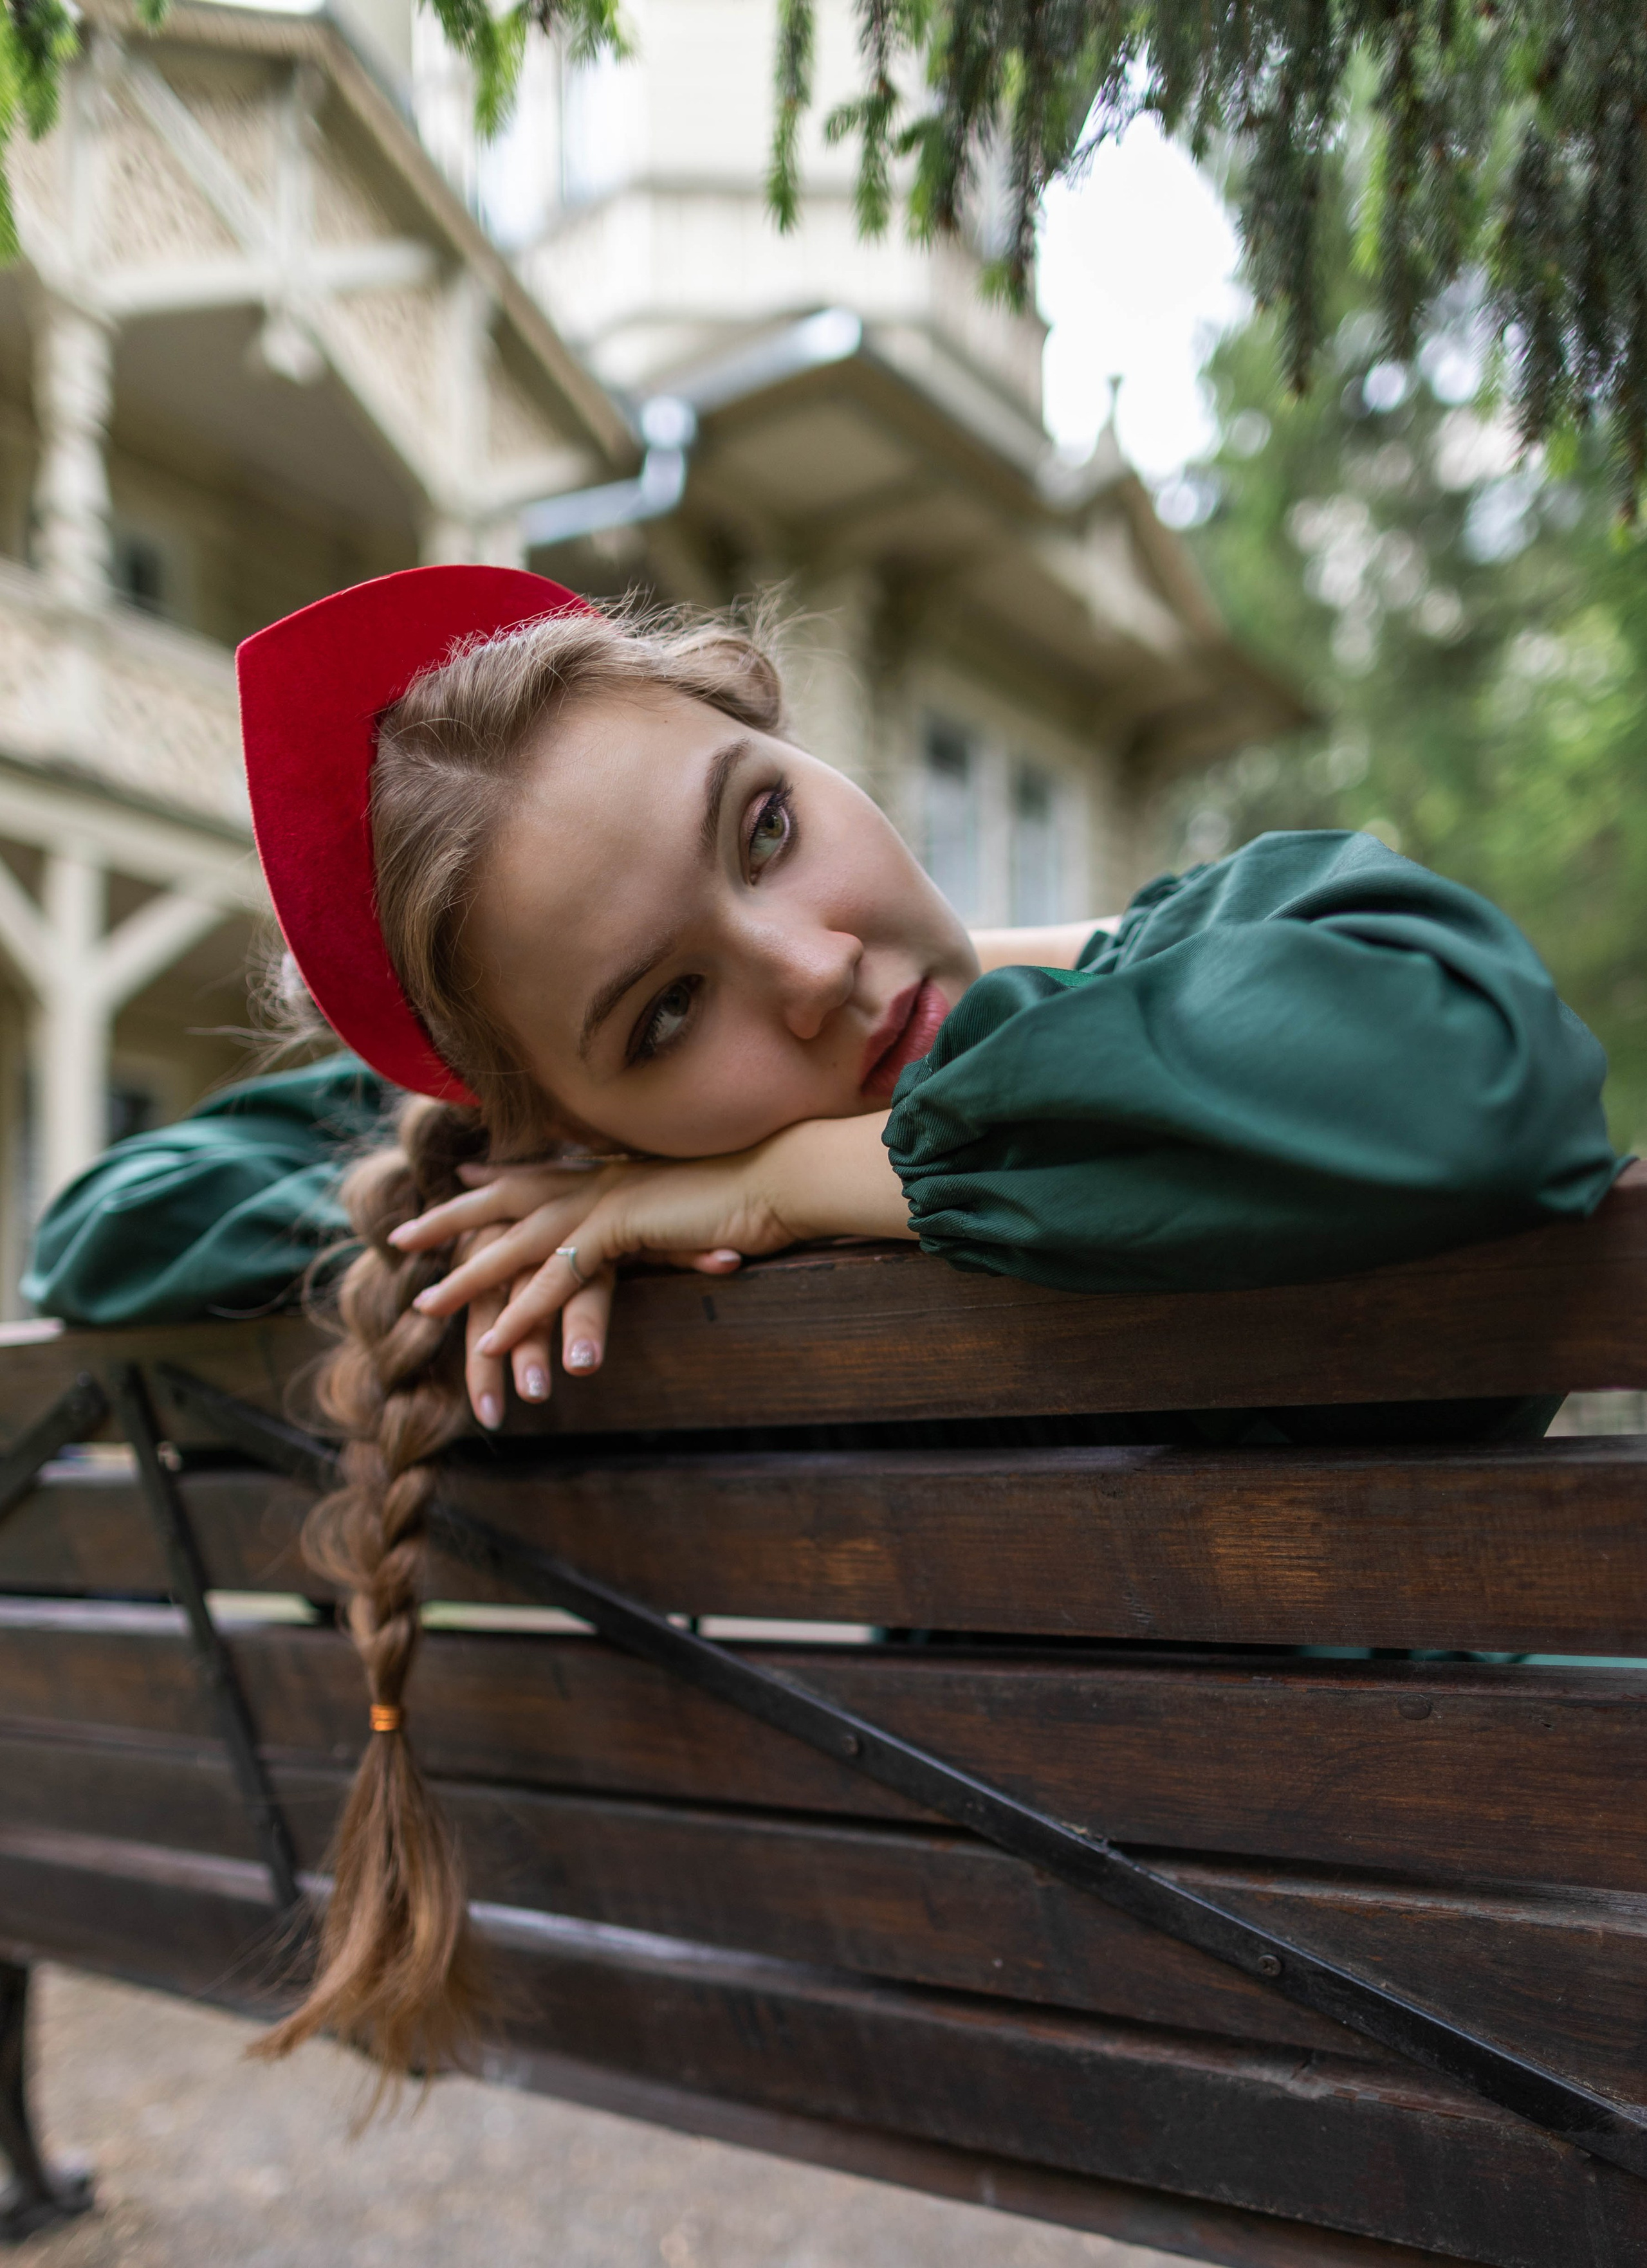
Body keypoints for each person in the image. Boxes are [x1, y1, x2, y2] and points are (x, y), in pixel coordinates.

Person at [23, 564, 1622, 2081]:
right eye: (662, 1012)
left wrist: (778, 1174)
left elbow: (105, 1229)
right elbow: (1484, 1080)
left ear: (791, 737)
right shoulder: (1240, 994)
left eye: (765, 825)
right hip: (1550, 1973)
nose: (810, 970)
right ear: (558, 1131)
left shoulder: (710, 1194)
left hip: (1071, 2029)